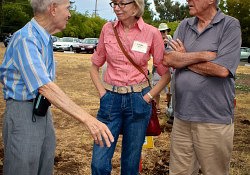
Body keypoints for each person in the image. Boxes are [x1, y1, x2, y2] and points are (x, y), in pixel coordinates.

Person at [0, 0, 114, 174]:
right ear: (53, 9)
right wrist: (88, 119)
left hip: (42, 110)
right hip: (23, 114)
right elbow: (45, 86)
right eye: (67, 8)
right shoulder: (26, 38)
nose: (69, 14)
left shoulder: (43, 38)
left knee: (44, 166)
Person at [90, 0, 171, 174]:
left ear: (136, 6)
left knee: (130, 163)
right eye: (114, 3)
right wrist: (102, 93)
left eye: (122, 3)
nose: (116, 8)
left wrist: (148, 97)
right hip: (110, 100)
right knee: (99, 162)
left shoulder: (152, 33)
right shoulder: (107, 29)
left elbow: (165, 74)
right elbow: (94, 66)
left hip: (138, 100)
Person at [163, 0, 241, 174]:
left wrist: (183, 58)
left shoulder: (230, 25)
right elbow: (168, 59)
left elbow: (222, 70)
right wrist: (203, 56)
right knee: (179, 172)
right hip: (182, 117)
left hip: (213, 119)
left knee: (214, 171)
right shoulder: (184, 25)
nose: (188, 1)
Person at [152, 23, 172, 113]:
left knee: (170, 90)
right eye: (162, 31)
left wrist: (168, 44)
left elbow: (173, 52)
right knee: (157, 88)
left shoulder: (170, 39)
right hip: (157, 69)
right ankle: (157, 106)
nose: (164, 33)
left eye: (165, 31)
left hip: (169, 68)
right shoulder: (155, 40)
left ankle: (169, 106)